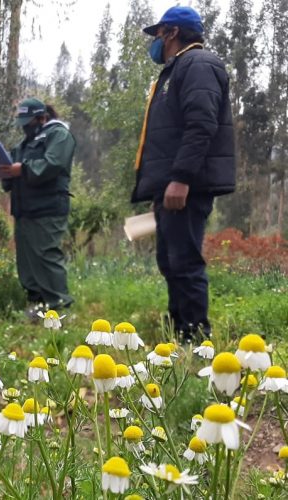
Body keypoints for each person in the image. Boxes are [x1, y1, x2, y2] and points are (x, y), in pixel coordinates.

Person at [133, 6, 235, 341]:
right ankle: (179, 331)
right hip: (172, 184)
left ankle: (195, 337)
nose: (155, 42)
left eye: (158, 34)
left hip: (186, 184)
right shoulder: (177, 69)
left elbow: (201, 125)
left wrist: (180, 179)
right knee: (170, 260)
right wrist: (161, 186)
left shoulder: (198, 64)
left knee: (185, 260)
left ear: (172, 32)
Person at [1, 98, 76, 312]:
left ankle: (58, 305)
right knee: (26, 259)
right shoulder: (22, 145)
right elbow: (10, 175)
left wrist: (22, 169)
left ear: (42, 118)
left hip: (48, 207)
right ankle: (36, 302)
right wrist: (1, 171)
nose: (25, 127)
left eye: (28, 122)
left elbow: (53, 164)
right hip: (24, 209)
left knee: (46, 255)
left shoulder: (59, 135)